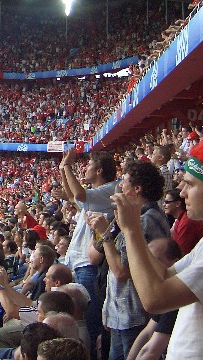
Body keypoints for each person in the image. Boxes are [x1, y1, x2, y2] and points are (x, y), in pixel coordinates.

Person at [114, 139, 203, 359]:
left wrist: (132, 231)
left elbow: (155, 299)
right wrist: (132, 231)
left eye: (190, 185)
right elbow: (165, 276)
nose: (181, 193)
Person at [89, 161, 170, 360]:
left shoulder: (144, 221)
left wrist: (104, 234)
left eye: (124, 181)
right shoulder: (144, 216)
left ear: (137, 189)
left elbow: (121, 271)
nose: (120, 185)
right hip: (123, 314)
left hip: (133, 315)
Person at [60, 150, 117, 359]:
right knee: (83, 323)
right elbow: (72, 197)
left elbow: (78, 195)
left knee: (92, 326)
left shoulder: (110, 189)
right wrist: (62, 169)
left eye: (89, 165)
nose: (85, 169)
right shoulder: (97, 193)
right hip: (81, 263)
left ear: (99, 170)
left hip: (89, 266)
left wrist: (68, 167)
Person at [126, 238, 182, 360]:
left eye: (155, 260)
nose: (148, 266)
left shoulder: (178, 297)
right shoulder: (167, 292)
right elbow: (147, 333)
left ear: (175, 263)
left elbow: (151, 351)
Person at [163, 188, 203, 255]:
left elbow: (180, 253)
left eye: (167, 202)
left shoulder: (186, 222)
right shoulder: (180, 219)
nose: (164, 205)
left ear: (177, 204)